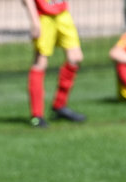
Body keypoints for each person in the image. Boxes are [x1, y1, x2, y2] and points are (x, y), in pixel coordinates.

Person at [21, 0, 86, 128]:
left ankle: (59, 105)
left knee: (75, 58)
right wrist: (34, 20)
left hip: (62, 13)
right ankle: (37, 116)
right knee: (40, 62)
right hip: (43, 16)